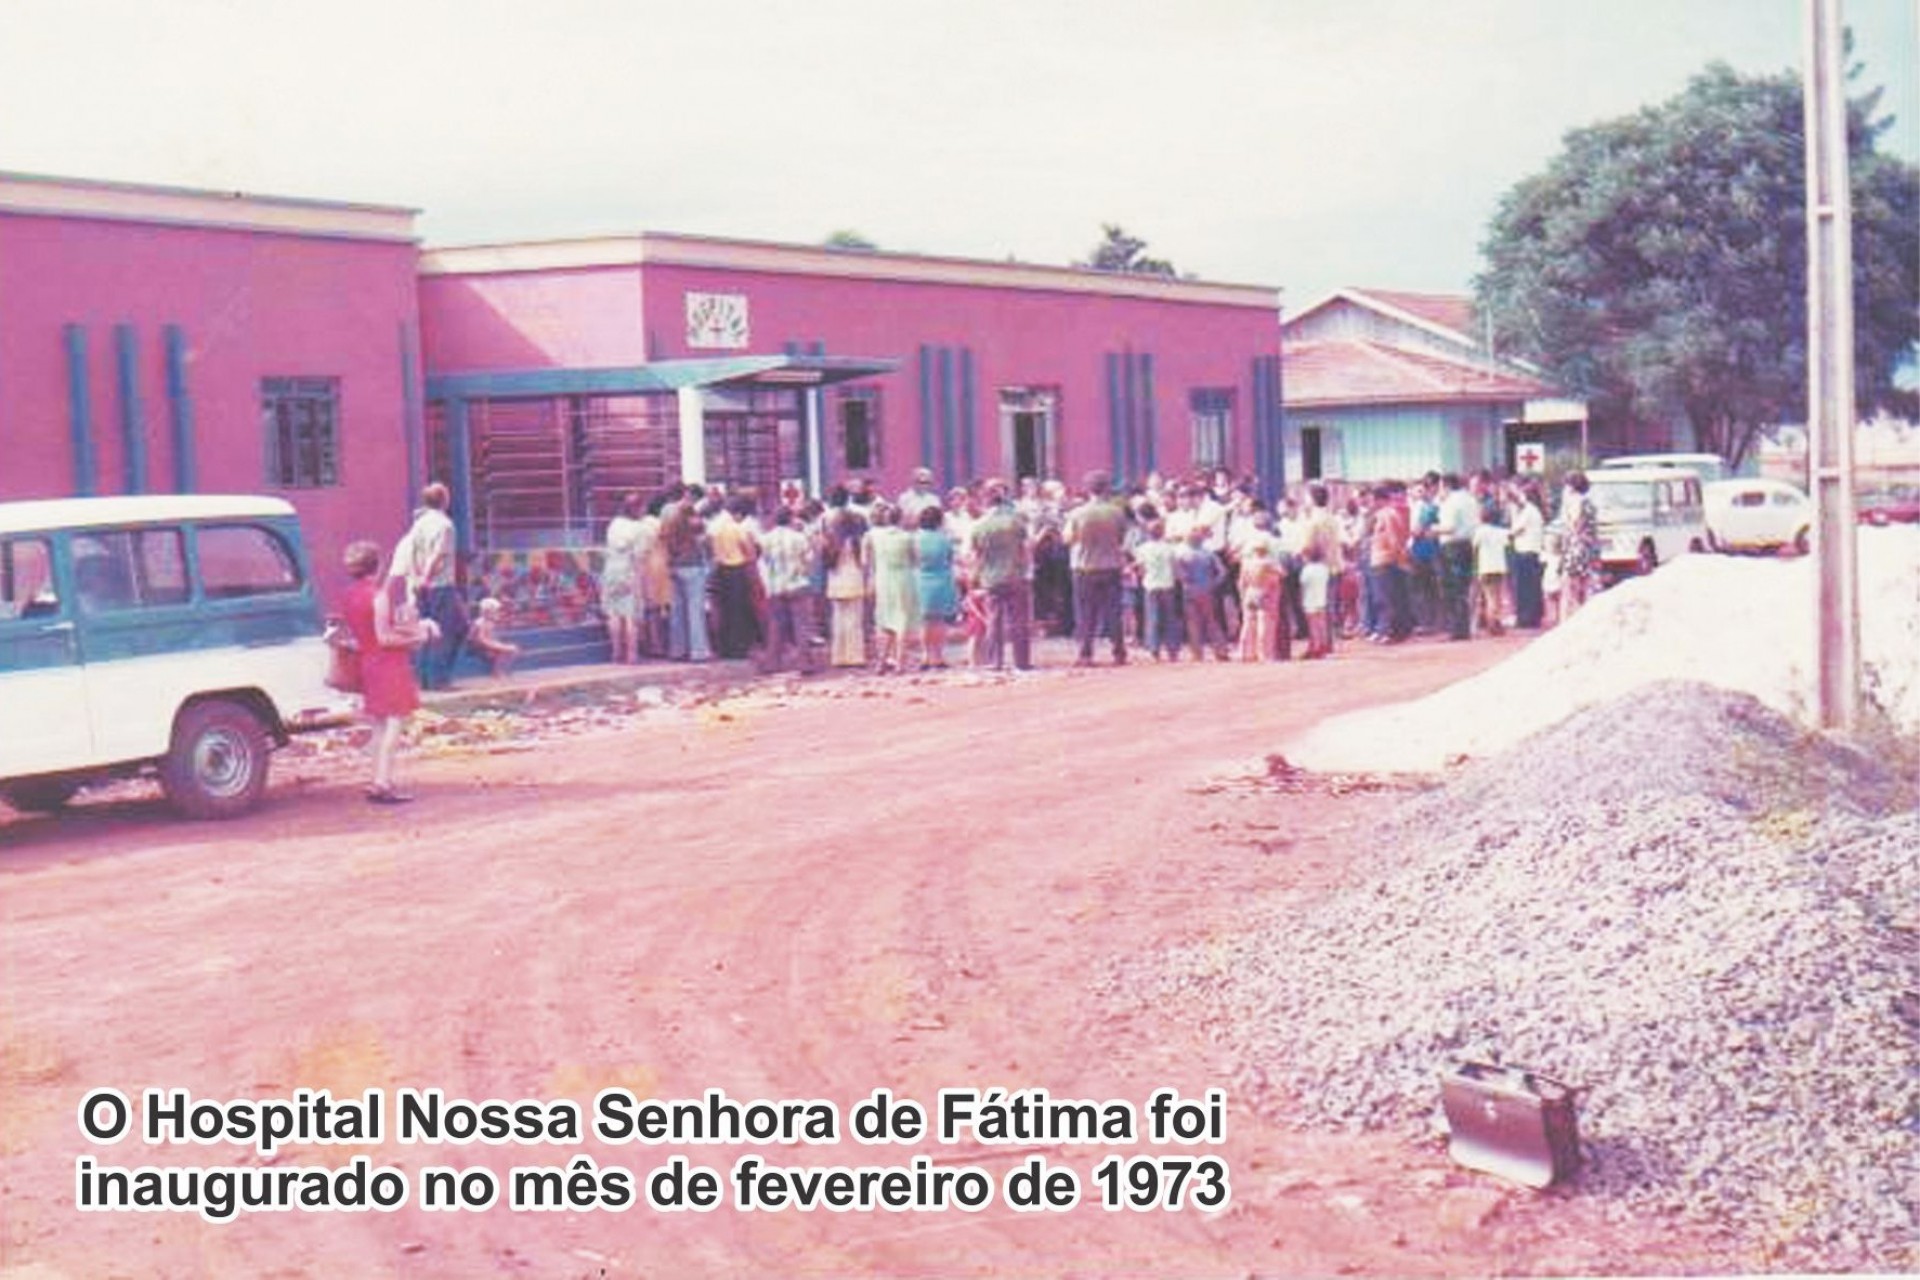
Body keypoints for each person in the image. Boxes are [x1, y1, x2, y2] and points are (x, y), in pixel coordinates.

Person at [340, 540, 433, 804]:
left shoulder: (350, 595)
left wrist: (405, 632)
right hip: (389, 664)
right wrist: (417, 639)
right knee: (394, 724)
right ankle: (383, 782)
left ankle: (378, 779)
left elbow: (367, 634)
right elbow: (384, 638)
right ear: (377, 566)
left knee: (379, 726)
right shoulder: (378, 595)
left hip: (368, 662)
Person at [396, 482, 467, 689]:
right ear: (445, 500)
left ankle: (423, 678)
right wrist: (426, 578)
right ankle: (439, 678)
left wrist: (416, 580)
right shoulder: (445, 525)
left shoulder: (418, 524)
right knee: (453, 629)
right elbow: (437, 555)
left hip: (419, 584)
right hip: (439, 584)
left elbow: (412, 552)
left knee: (426, 630)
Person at [1065, 470, 1128, 666]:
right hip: (1111, 565)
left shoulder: (1077, 513)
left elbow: (1068, 539)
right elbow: (1121, 538)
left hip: (1085, 566)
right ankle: (1119, 652)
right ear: (1107, 488)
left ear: (1087, 489)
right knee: (1113, 611)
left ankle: (1085, 653)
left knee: (1085, 612)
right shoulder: (1116, 512)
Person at [969, 480, 1033, 671]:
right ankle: (1021, 661)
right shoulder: (1015, 521)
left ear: (986, 503)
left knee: (994, 620)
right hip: (1015, 574)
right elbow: (1026, 547)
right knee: (1019, 621)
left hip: (991, 577)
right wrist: (1026, 569)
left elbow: (977, 555)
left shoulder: (979, 525)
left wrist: (974, 578)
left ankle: (995, 661)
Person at [758, 507, 818, 674]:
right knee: (801, 626)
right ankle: (804, 662)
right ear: (790, 519)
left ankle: (773, 662)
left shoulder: (765, 539)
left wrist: (768, 583)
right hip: (797, 584)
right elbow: (809, 560)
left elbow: (762, 562)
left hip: (775, 585)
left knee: (776, 626)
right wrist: (803, 573)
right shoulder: (799, 538)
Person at [865, 503, 920, 673]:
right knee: (902, 620)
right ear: (901, 519)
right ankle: (900, 663)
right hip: (903, 578)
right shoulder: (907, 537)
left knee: (885, 620)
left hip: (883, 579)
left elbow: (867, 561)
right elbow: (915, 559)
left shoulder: (875, 537)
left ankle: (881, 661)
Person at [661, 487, 712, 662]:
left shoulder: (670, 523)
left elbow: (664, 541)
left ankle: (677, 650)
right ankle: (698, 651)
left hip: (675, 567)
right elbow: (705, 542)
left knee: (677, 610)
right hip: (693, 567)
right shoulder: (695, 523)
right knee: (695, 611)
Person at [822, 491, 869, 668]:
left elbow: (825, 560)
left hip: (835, 579)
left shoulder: (831, 541)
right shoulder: (856, 542)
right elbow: (863, 561)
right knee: (854, 620)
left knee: (837, 618)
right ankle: (854, 656)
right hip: (854, 578)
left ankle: (838, 656)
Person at [912, 505, 959, 670]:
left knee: (925, 621)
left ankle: (925, 656)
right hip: (942, 579)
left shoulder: (915, 538)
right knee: (939, 621)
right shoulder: (944, 539)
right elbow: (950, 558)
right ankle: (938, 657)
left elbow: (912, 560)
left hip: (921, 580)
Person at [601, 492, 645, 664]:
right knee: (630, 616)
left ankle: (616, 653)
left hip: (611, 570)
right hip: (628, 571)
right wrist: (640, 582)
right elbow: (638, 557)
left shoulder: (614, 524)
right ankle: (632, 655)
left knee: (613, 614)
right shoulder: (639, 529)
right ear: (637, 509)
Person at [1435, 473, 1479, 640]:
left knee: (1452, 589)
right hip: (1468, 545)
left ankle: (1457, 629)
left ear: (1446, 486)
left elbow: (1449, 527)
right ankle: (1463, 628)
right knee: (1463, 587)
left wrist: (1432, 529)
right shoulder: (1471, 499)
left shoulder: (1450, 502)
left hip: (1452, 546)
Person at [1176, 527, 1229, 660]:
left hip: (1190, 590)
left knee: (1193, 623)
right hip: (1207, 590)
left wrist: (1185, 582)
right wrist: (1214, 583)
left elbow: (1179, 574)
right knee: (1211, 621)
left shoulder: (1183, 555)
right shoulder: (1208, 554)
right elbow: (1222, 572)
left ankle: (1197, 653)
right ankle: (1220, 651)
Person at [1133, 519, 1182, 661]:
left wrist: (1143, 578)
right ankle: (1172, 650)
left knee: (1152, 618)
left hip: (1151, 585)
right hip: (1167, 584)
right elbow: (1175, 567)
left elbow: (1141, 568)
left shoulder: (1142, 549)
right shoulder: (1169, 548)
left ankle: (1154, 650)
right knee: (1170, 619)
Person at [1560, 471, 1601, 619]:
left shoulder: (1576, 502)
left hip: (1577, 547)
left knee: (1570, 586)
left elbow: (1576, 524)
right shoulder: (1588, 502)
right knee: (1585, 584)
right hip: (1588, 547)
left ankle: (1569, 619)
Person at [1237, 537, 1282, 663]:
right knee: (1265, 624)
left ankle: (1245, 652)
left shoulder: (1247, 562)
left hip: (1250, 592)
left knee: (1248, 623)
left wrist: (1243, 595)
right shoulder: (1269, 563)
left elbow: (1241, 582)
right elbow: (1282, 574)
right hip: (1264, 591)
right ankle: (1264, 654)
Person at [1510, 482, 1547, 629]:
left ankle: (1526, 618)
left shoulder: (1528, 511)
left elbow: (1515, 530)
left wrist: (1513, 513)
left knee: (1524, 588)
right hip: (1532, 551)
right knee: (1533, 587)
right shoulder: (1535, 511)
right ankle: (1533, 616)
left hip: (1525, 551)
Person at [1472, 509, 1512, 636]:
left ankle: (1492, 624)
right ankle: (1496, 621)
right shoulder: (1500, 532)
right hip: (1499, 566)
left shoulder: (1480, 531)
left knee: (1489, 596)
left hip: (1485, 567)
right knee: (1497, 596)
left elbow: (1474, 547)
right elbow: (1508, 543)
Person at [467, 598, 520, 675]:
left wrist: (498, 644)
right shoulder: (479, 622)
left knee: (514, 650)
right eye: (494, 611)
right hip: (477, 647)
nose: (496, 613)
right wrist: (497, 646)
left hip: (487, 644)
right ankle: (496, 672)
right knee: (501, 652)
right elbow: (481, 639)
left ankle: (504, 670)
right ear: (486, 611)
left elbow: (491, 637)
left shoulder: (490, 621)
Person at [1300, 541, 1332, 658]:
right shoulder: (1324, 568)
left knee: (1313, 626)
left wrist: (1301, 598)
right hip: (1321, 599)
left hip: (1310, 600)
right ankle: (1323, 646)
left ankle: (1316, 647)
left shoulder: (1307, 569)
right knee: (1321, 625)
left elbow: (1303, 585)